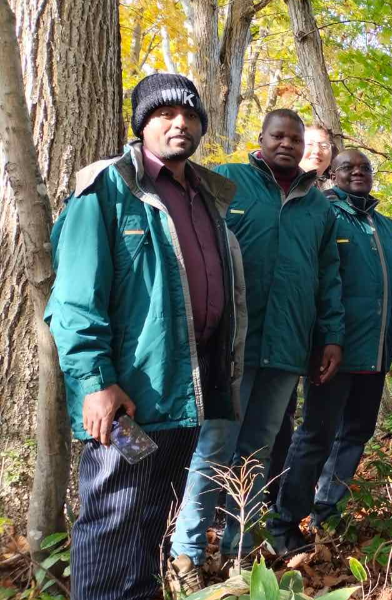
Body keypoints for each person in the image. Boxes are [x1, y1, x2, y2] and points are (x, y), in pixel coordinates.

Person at [44, 73, 247, 600]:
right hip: (127, 400)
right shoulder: (109, 189)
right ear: (142, 123)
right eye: (164, 114)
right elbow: (73, 298)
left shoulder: (207, 196)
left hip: (185, 390)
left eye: (190, 115)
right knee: (113, 517)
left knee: (154, 514)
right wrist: (95, 381)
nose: (179, 123)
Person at [169, 109, 345, 591]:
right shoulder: (228, 183)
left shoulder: (319, 207)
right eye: (278, 136)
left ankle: (238, 551)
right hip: (229, 346)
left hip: (288, 348)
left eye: (295, 138)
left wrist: (330, 336)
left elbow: (328, 277)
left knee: (258, 454)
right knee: (214, 447)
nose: (287, 144)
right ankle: (185, 552)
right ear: (261, 139)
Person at [267, 149, 392, 551]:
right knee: (316, 434)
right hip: (334, 352)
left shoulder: (387, 227)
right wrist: (321, 340)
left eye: (365, 167)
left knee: (357, 433)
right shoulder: (325, 214)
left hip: (376, 353)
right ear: (331, 174)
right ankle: (284, 522)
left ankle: (328, 510)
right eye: (347, 167)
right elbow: (316, 282)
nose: (357, 173)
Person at [267, 123, 338, 503]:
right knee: (266, 422)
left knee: (298, 421)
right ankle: (255, 499)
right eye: (308, 143)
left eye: (324, 145)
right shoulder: (260, 188)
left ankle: (285, 497)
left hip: (310, 333)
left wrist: (331, 333)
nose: (316, 150)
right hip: (266, 332)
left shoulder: (331, 199)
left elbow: (330, 275)